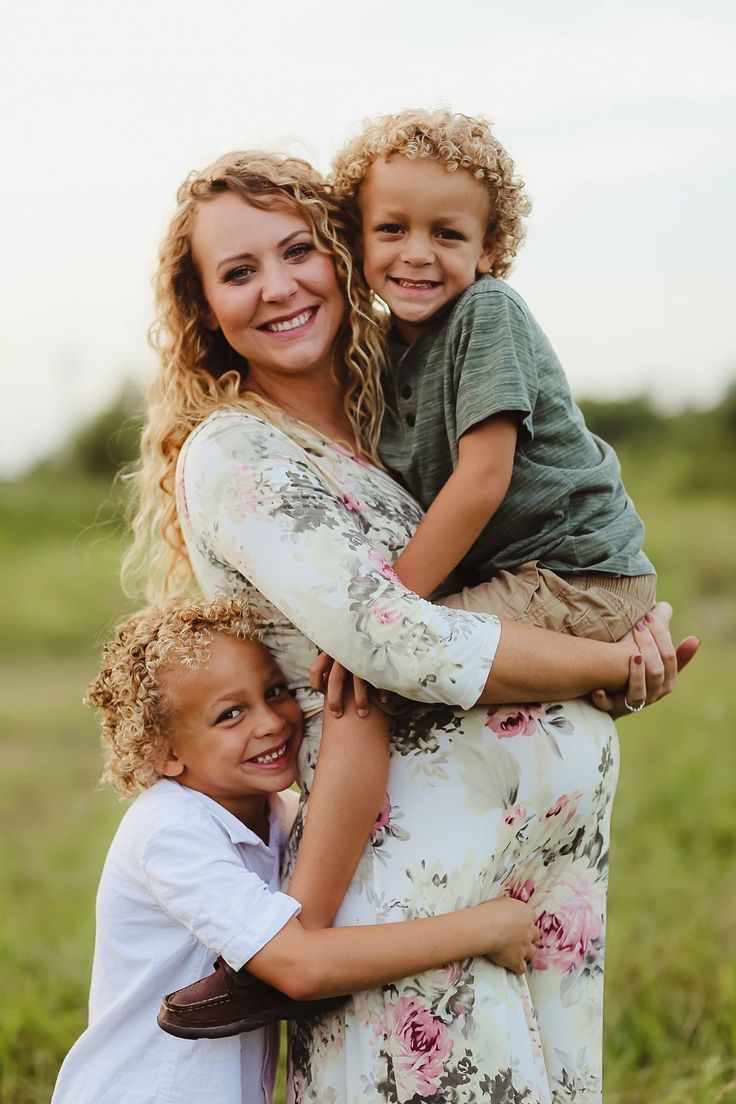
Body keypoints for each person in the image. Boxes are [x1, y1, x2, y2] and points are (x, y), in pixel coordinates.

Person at [125, 149, 696, 1103]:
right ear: (206, 311)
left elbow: (526, 576)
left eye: (296, 251)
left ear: (340, 258)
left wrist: (618, 629)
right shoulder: (238, 453)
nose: (277, 288)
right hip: (416, 890)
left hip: (535, 880)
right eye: (237, 272)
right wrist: (608, 664)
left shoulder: (400, 425)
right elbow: (399, 643)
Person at [51, 596, 539, 1104]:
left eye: (275, 691)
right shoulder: (169, 831)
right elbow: (301, 968)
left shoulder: (275, 815)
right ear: (165, 753)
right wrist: (485, 928)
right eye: (231, 714)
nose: (270, 722)